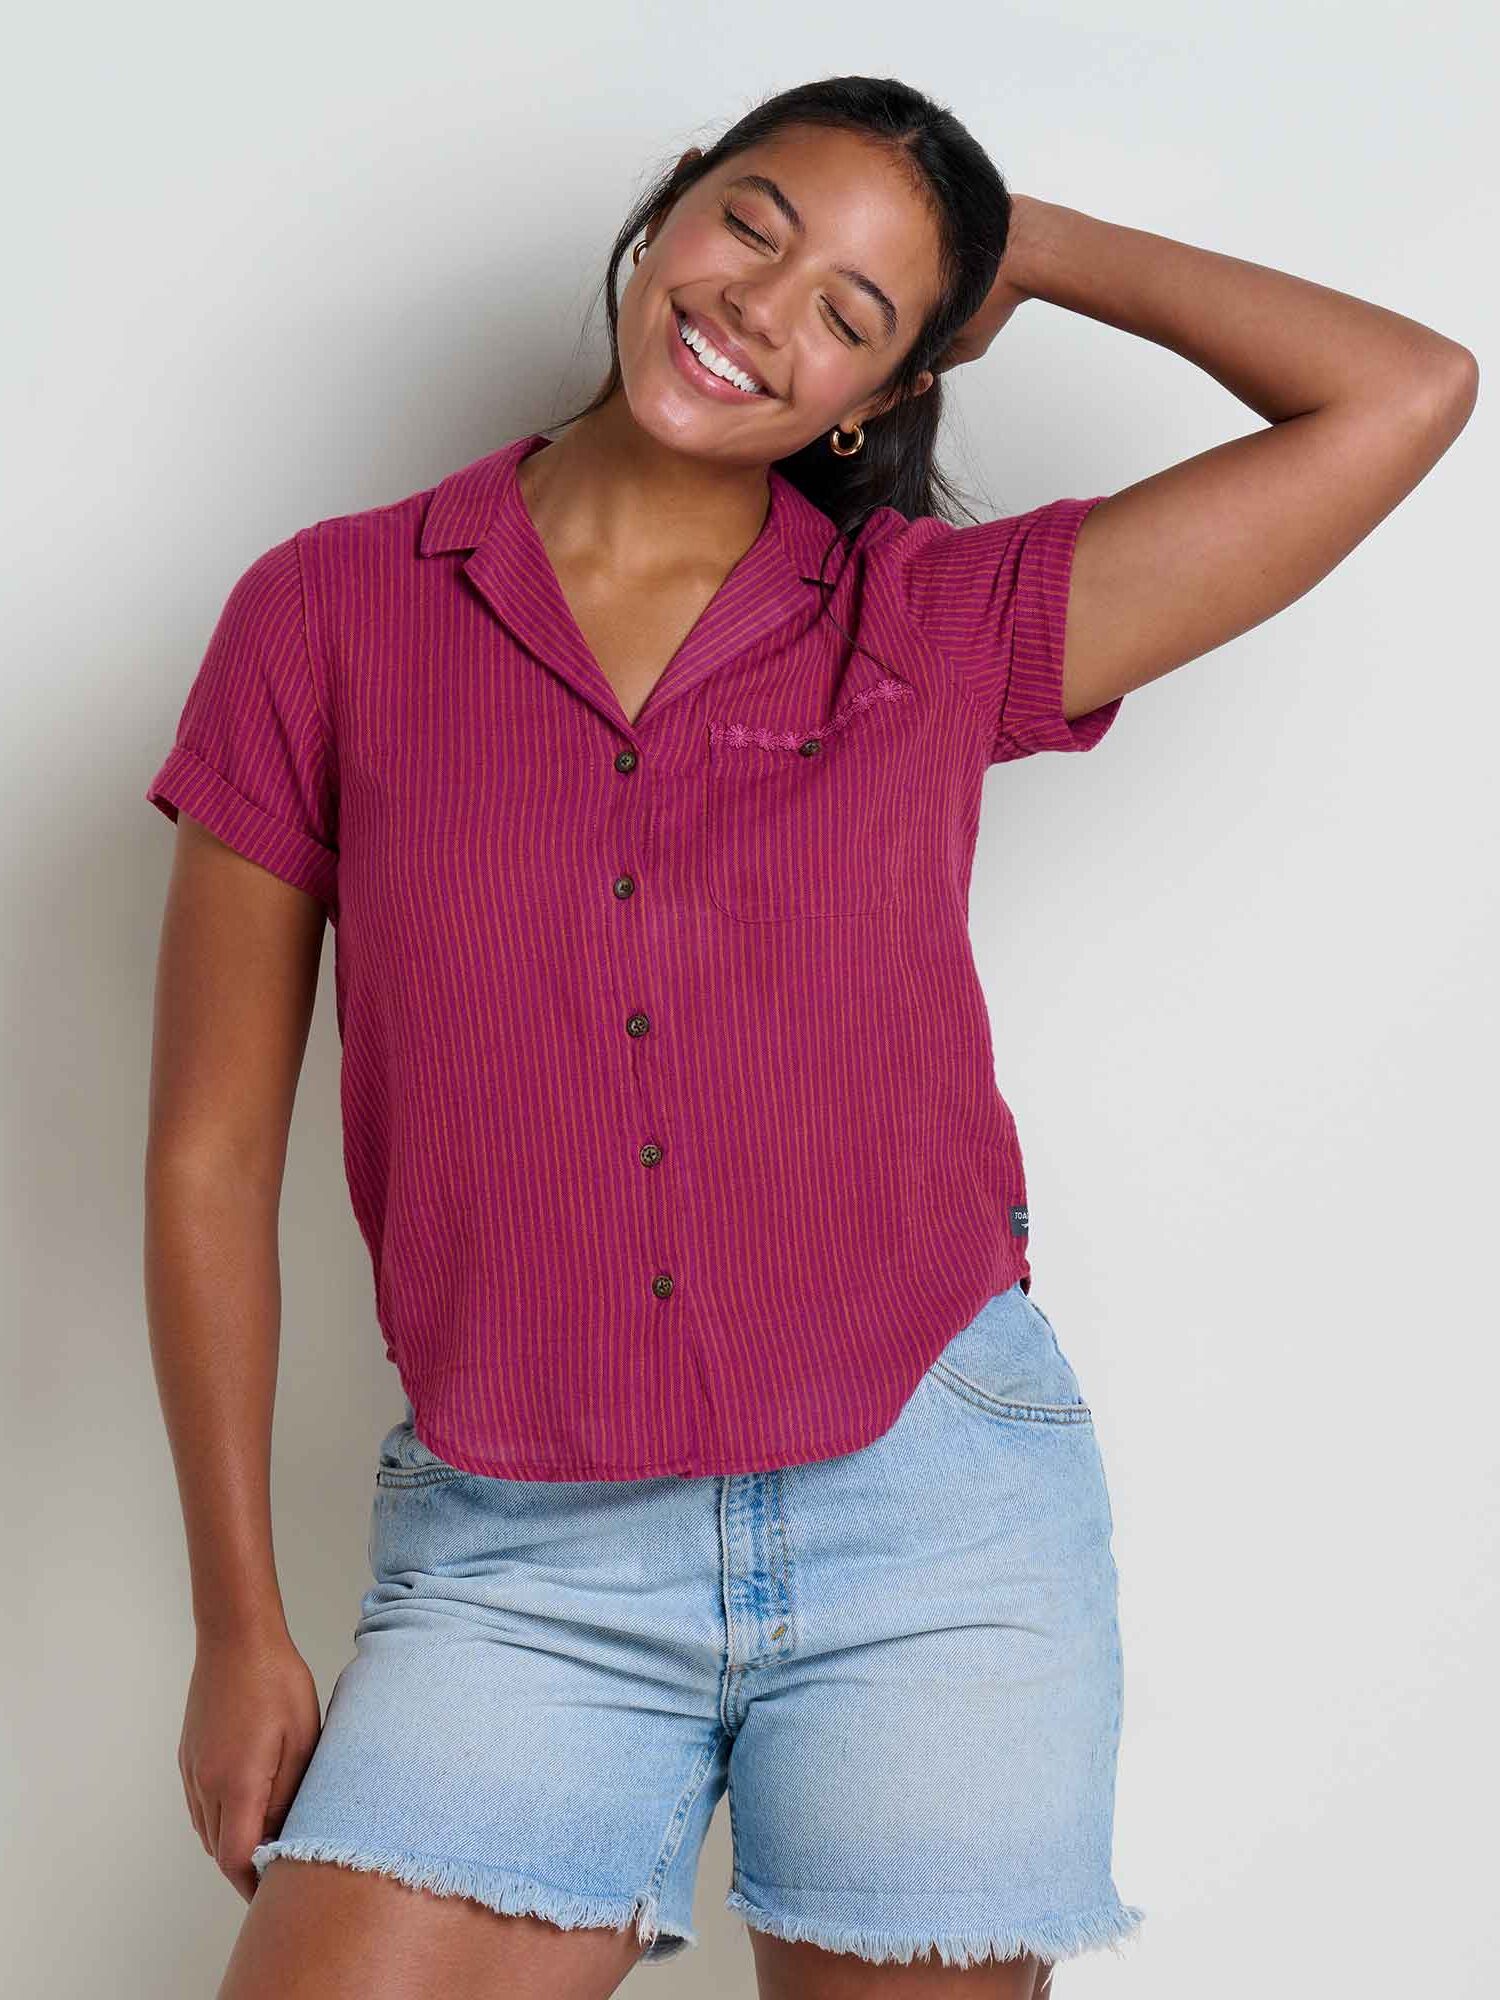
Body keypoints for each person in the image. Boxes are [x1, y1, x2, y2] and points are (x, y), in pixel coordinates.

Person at [143, 73, 1476, 2000]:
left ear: (880, 396)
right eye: (756, 225)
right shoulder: (327, 614)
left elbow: (1405, 393)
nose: (768, 308)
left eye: (856, 310)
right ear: (674, 204)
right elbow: (210, 1156)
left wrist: (1034, 248)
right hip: (524, 1554)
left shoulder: (937, 622)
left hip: (931, 1524)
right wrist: (237, 1620)